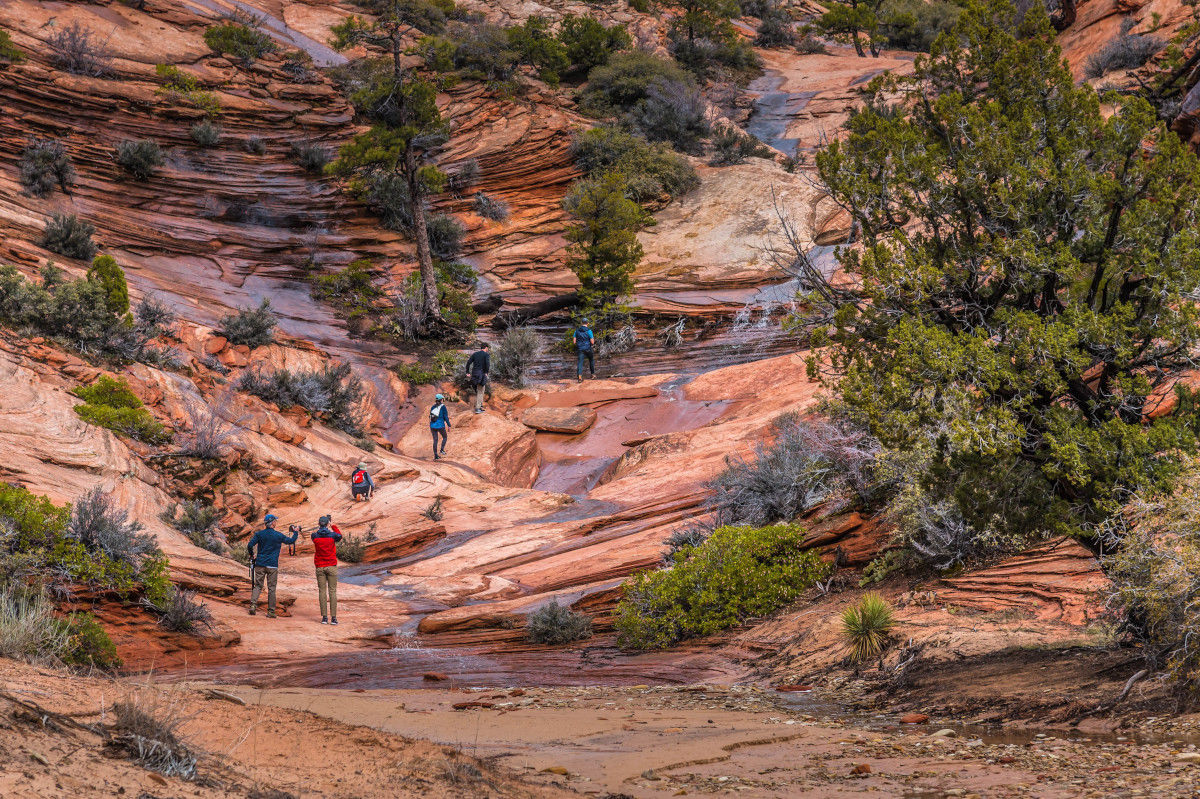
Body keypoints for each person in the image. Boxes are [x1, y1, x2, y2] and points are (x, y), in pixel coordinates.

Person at [247, 513, 298, 618]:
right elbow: (291, 541)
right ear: (272, 523)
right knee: (271, 589)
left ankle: (253, 606)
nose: (276, 522)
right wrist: (296, 532)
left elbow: (250, 545)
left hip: (260, 563)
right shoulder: (278, 535)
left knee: (258, 586)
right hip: (272, 565)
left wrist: (252, 555)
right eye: (275, 521)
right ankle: (270, 612)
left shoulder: (259, 534)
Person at [311, 515, 341, 625]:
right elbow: (339, 535)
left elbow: (316, 533)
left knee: (322, 591)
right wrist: (332, 525)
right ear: (327, 523)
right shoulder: (333, 536)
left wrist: (324, 525)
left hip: (320, 566)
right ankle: (333, 618)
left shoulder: (314, 536)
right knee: (332, 591)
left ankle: (324, 618)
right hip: (331, 565)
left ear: (319, 524)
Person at [465, 342, 491, 414]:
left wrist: (467, 372)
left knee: (480, 389)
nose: (487, 349)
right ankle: (478, 408)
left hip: (474, 374)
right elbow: (487, 364)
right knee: (480, 390)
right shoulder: (486, 355)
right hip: (481, 374)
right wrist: (486, 372)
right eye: (487, 348)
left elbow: (468, 363)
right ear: (486, 348)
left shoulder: (475, 354)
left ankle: (480, 405)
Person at [430, 393, 450, 460]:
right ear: (441, 400)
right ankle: (441, 450)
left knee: (435, 440)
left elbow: (430, 416)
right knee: (445, 437)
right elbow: (446, 417)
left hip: (432, 426)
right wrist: (449, 425)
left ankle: (436, 456)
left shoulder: (432, 407)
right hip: (440, 425)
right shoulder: (443, 406)